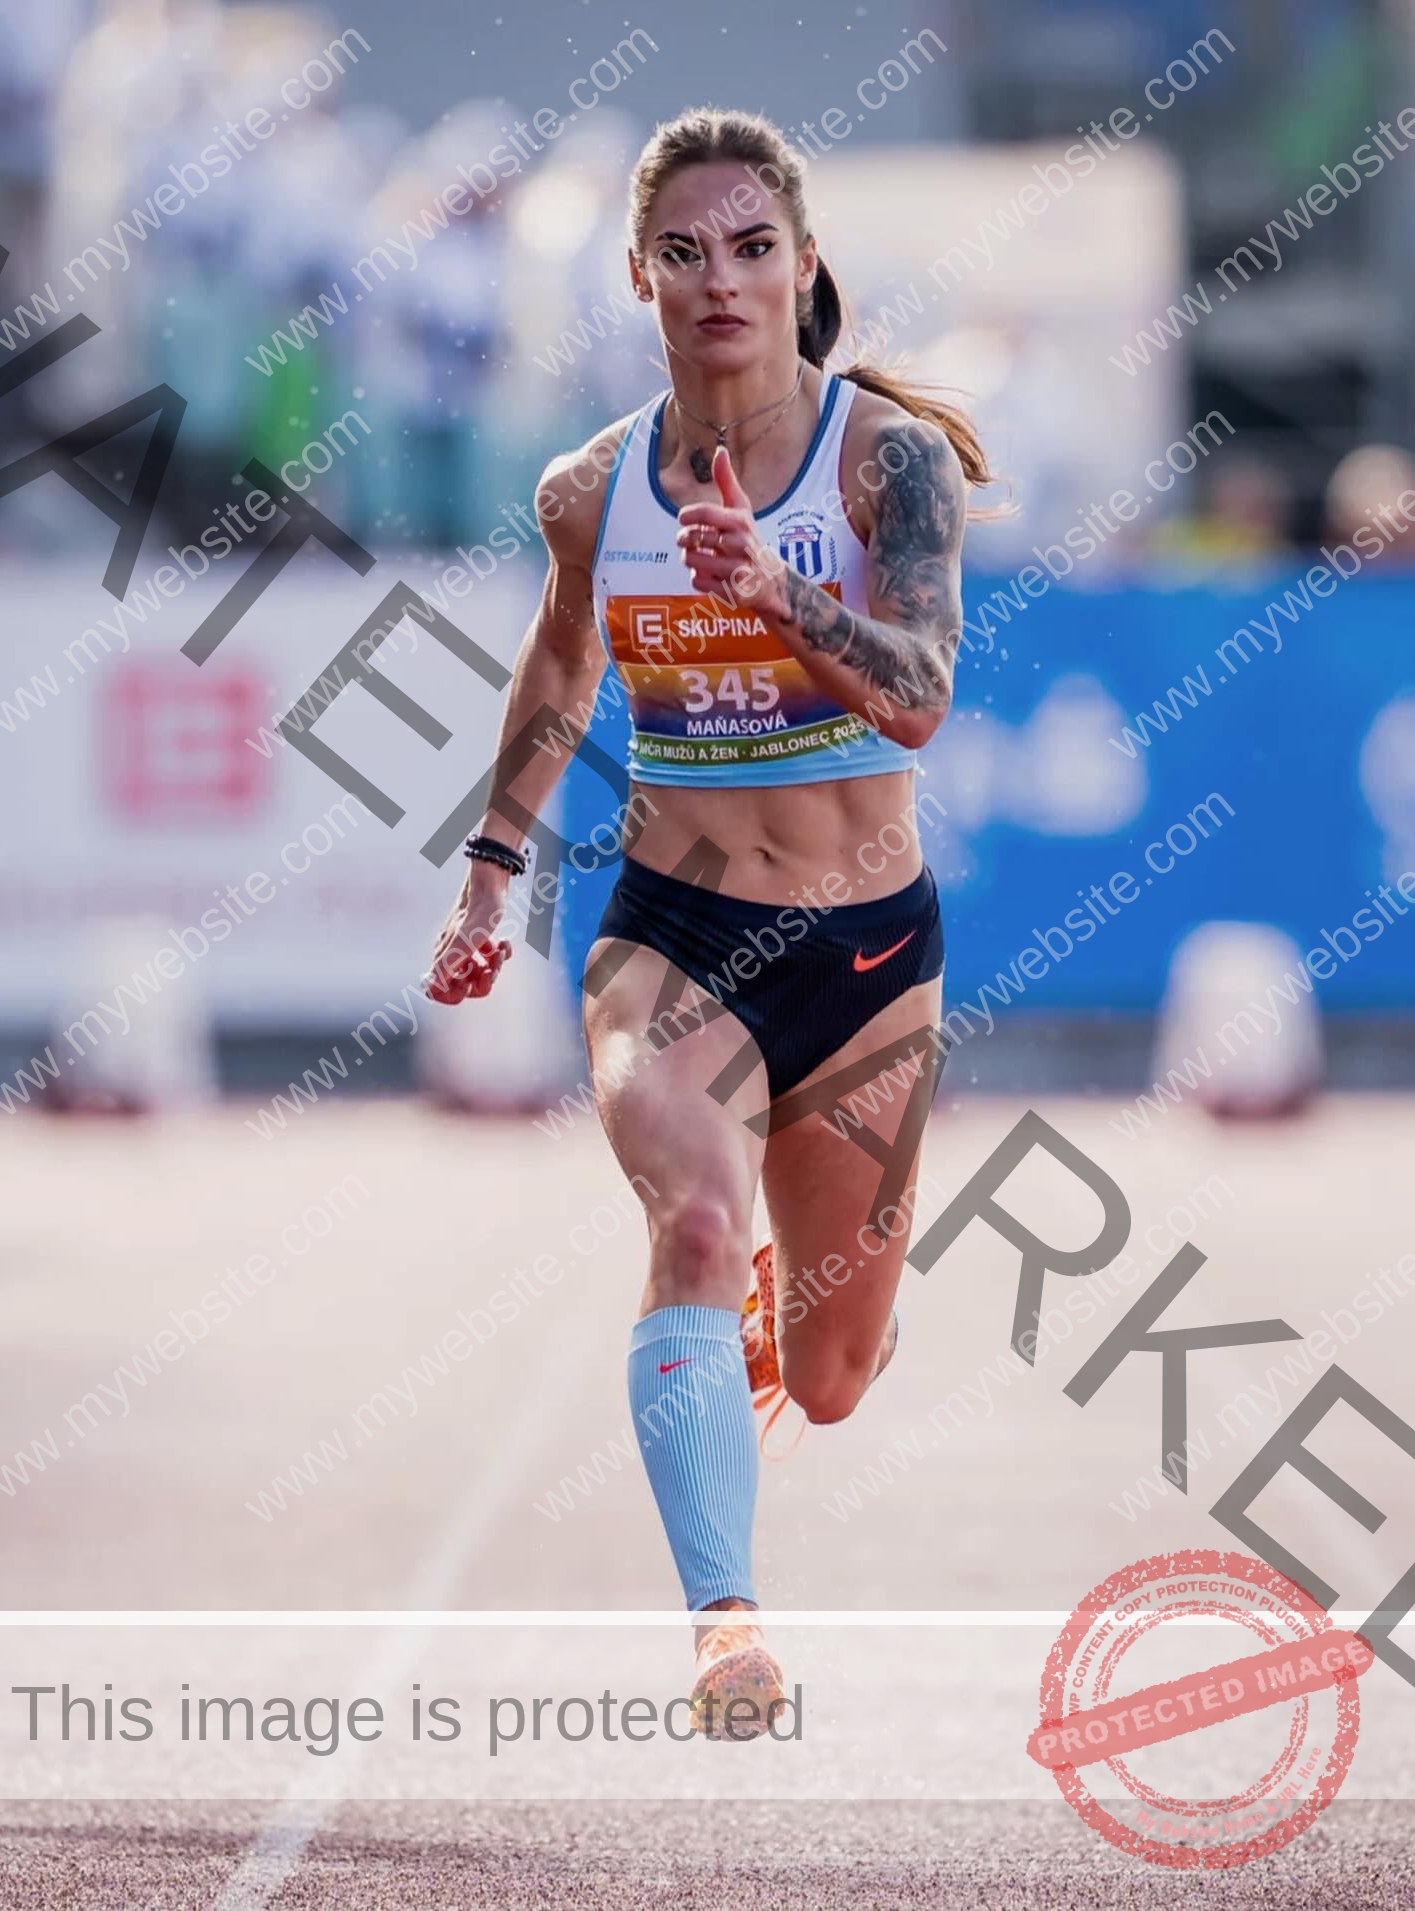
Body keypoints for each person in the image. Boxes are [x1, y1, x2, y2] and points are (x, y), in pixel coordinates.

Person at [424, 106, 990, 1739]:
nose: (721, 277)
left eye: (753, 248)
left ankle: (768, 1312)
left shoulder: (887, 461)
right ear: (640, 276)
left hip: (869, 957)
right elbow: (559, 667)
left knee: (827, 1377)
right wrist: (488, 866)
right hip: (670, 929)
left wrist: (780, 598)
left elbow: (923, 700)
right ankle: (725, 1627)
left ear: (801, 267)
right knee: (685, 1219)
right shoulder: (590, 491)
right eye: (686, 251)